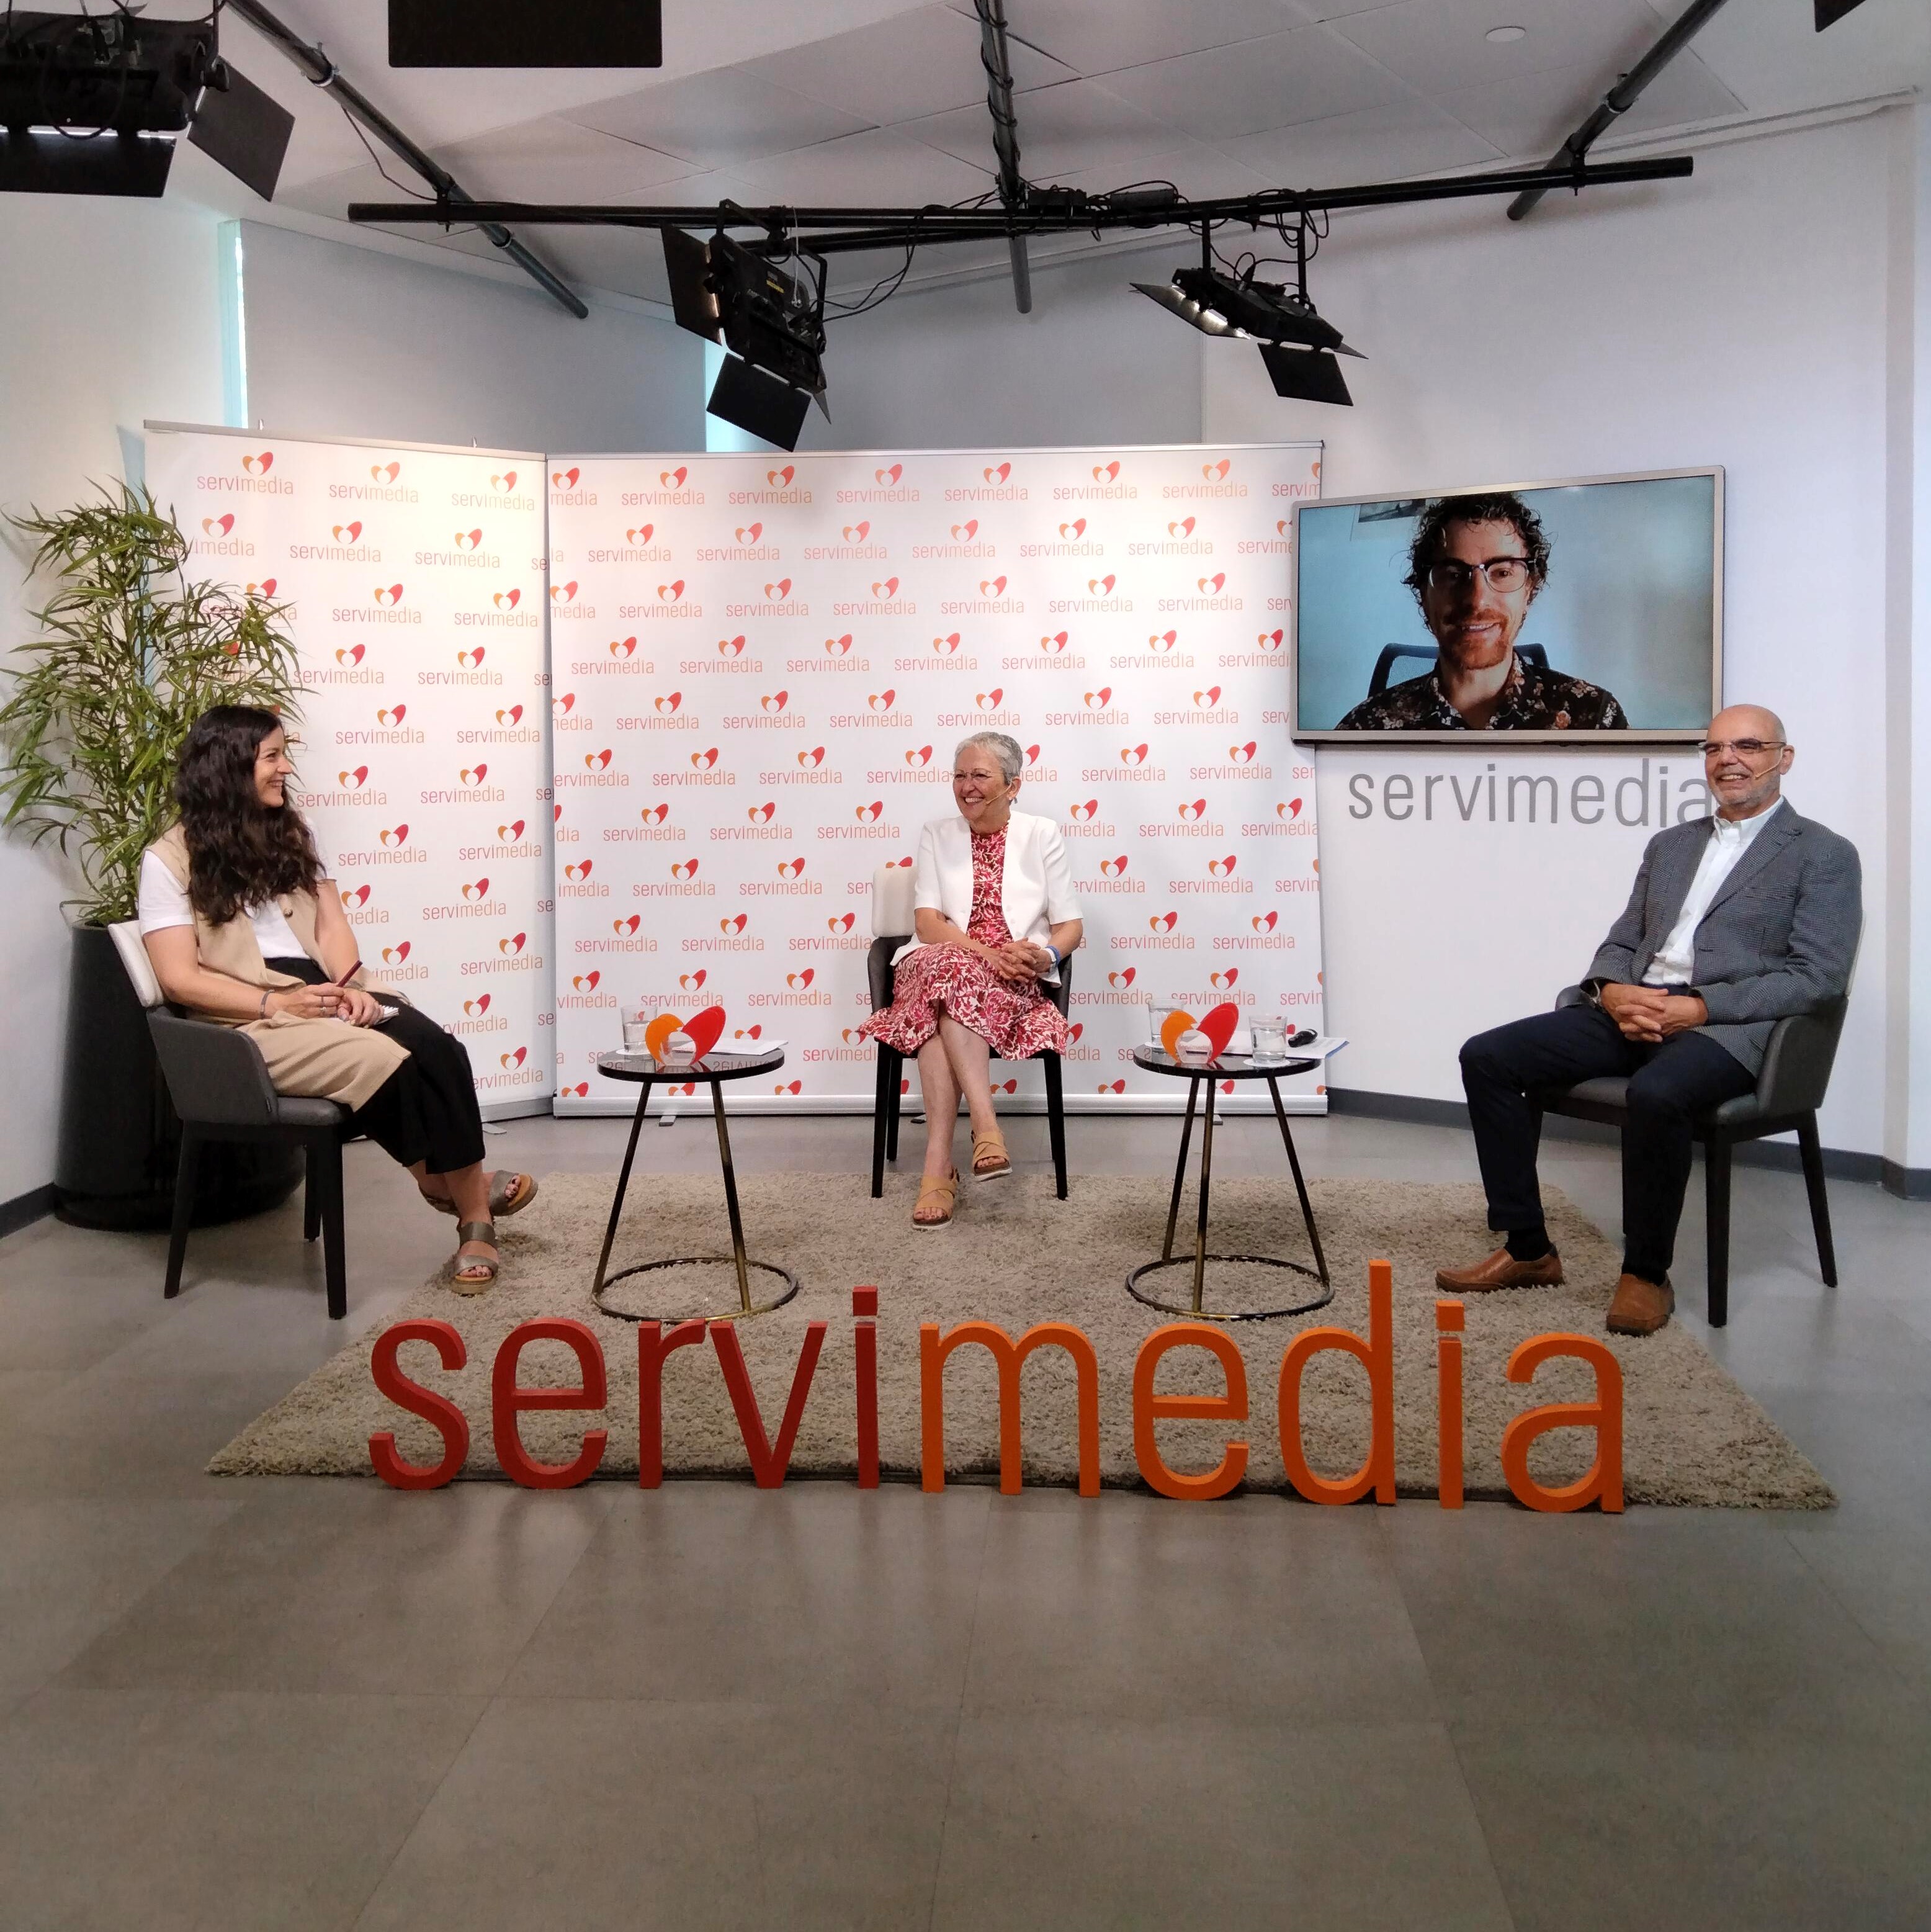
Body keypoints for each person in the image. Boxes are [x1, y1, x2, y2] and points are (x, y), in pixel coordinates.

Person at [1438, 705, 1861, 1334]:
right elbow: (1621, 939)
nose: (1728, 759)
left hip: (1721, 1027)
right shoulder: (1670, 844)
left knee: (1657, 1093)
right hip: (1633, 1007)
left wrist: (1700, 1007)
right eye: (1714, 748)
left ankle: (1644, 1272)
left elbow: (1817, 975)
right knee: (1487, 1055)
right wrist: (1610, 991)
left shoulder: (1823, 854)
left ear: (1784, 757)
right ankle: (1529, 1248)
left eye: (1747, 745)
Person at [138, 705, 536, 1292]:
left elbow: (330, 928)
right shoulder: (167, 860)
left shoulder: (293, 831)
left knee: (436, 1046)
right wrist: (278, 1005)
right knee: (386, 1061)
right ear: (230, 767)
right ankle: (467, 1209)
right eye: (272, 756)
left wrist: (351, 989)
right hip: (250, 1017)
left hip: (323, 987)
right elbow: (180, 979)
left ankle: (449, 1187)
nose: (285, 768)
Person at [861, 731, 1082, 1228]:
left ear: (1012, 784)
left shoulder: (1042, 833)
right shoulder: (937, 833)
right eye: (960, 775)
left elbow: (1072, 926)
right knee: (948, 968)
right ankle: (985, 1124)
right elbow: (928, 923)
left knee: (941, 1010)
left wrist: (1044, 955)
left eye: (979, 774)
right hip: (940, 962)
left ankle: (938, 1170)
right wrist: (988, 953)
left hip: (1009, 983)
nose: (966, 786)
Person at [1337, 491, 1628, 731]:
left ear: (1530, 590)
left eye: (1502, 573)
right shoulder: (1366, 727)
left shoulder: (1594, 719)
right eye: (1453, 575)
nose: (1477, 601)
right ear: (1424, 595)